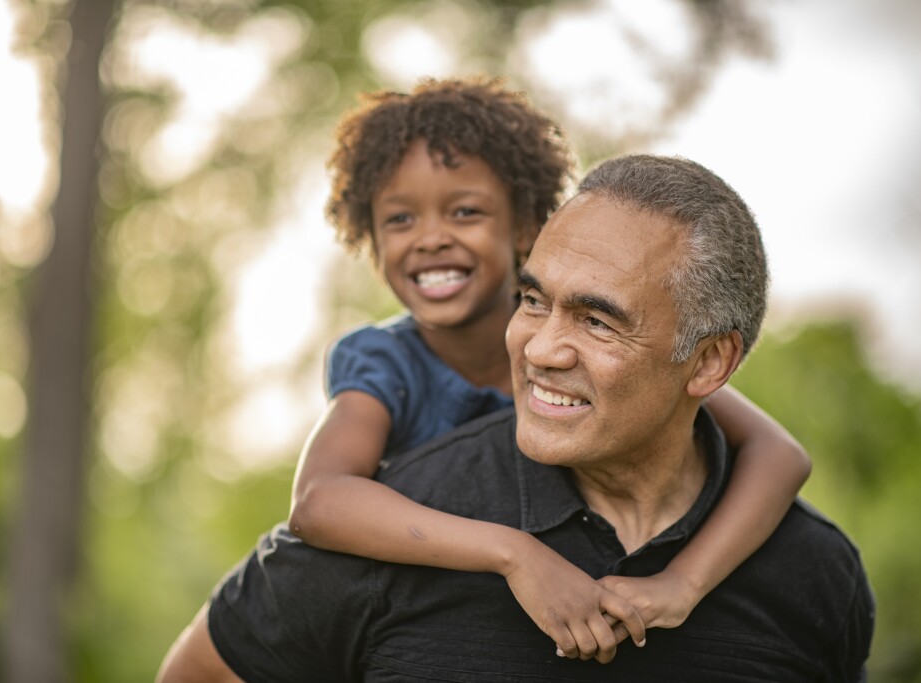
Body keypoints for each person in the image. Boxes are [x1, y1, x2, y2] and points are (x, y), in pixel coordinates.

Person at [155, 120, 848, 683]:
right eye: (534, 300)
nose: (543, 349)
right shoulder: (385, 472)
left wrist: (685, 582)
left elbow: (780, 453)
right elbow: (316, 505)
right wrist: (515, 552)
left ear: (708, 362)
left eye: (598, 320)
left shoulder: (813, 571)